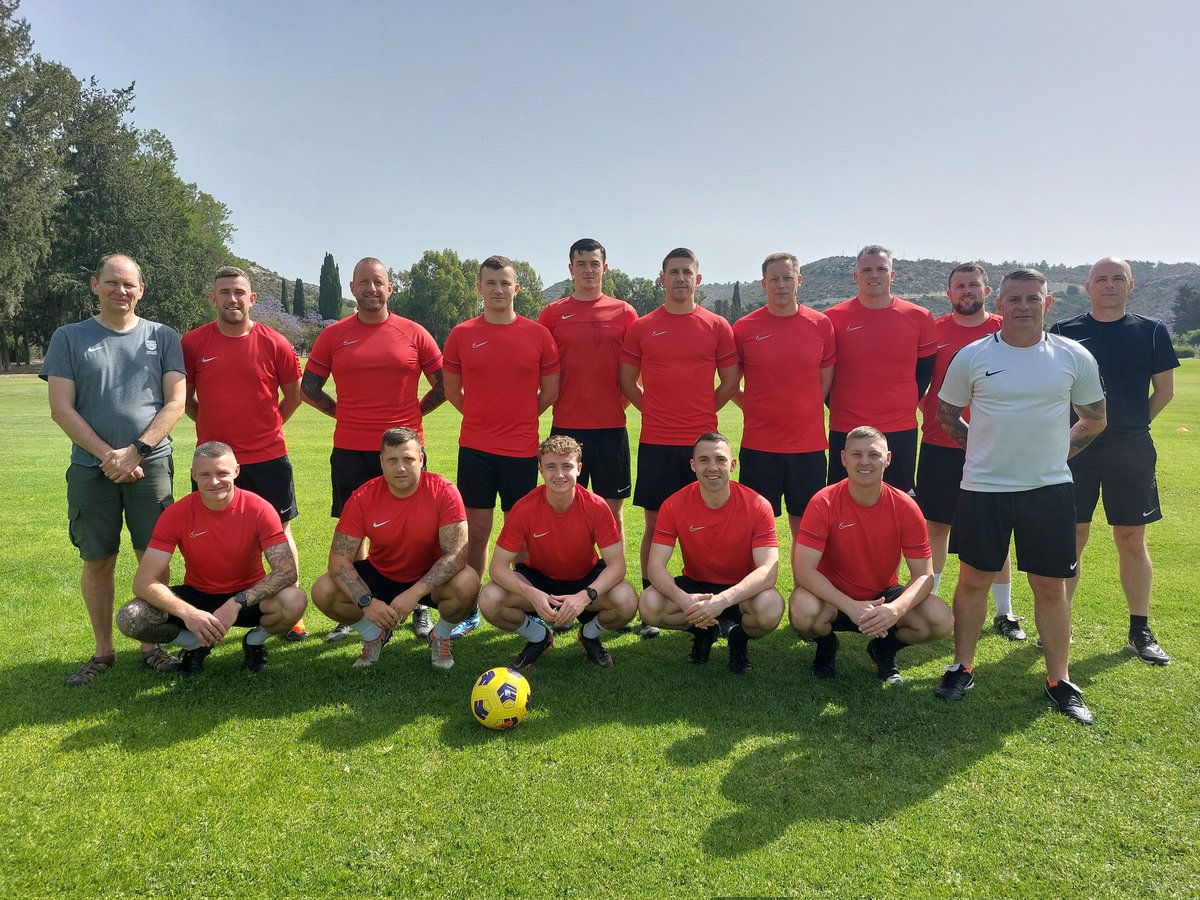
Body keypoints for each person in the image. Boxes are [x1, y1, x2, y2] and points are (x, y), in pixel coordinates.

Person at [935, 268, 1107, 724]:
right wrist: (984, 451)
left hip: (1048, 490)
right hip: (983, 489)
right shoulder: (971, 356)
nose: (1024, 306)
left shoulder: (1073, 357)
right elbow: (947, 414)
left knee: (1049, 587)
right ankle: (962, 666)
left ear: (1047, 304)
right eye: (1014, 298)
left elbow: (1094, 418)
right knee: (973, 580)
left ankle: (1059, 680)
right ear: (1001, 304)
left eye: (1033, 298)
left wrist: (1059, 453)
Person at [40, 254, 186, 685]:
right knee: (98, 559)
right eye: (112, 283)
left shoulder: (163, 336)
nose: (120, 291)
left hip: (152, 464)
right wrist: (111, 456)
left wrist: (137, 451)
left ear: (141, 290)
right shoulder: (69, 337)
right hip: (91, 468)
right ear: (94, 285)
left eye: (129, 285)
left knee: (153, 559)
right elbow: (60, 408)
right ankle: (103, 652)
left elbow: (175, 403)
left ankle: (152, 645)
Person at [301, 257, 444, 643]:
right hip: (351, 448)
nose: (371, 288)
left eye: (378, 282)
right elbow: (308, 389)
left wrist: (413, 415)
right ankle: (361, 607)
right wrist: (342, 414)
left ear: (389, 288)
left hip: (406, 454)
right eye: (364, 282)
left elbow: (444, 385)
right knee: (355, 533)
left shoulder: (414, 333)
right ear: (352, 288)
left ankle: (421, 609)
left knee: (420, 528)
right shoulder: (333, 336)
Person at [1049, 256, 1178, 665]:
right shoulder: (1064, 332)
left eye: (1117, 278)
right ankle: (1058, 625)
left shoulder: (1152, 331)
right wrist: (1084, 434)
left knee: (1131, 539)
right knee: (1073, 537)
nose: (1109, 285)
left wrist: (1131, 425)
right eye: (1101, 279)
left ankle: (1140, 629)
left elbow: (1164, 392)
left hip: (1131, 451)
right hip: (1075, 450)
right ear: (1087, 286)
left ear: (1131, 284)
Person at [182, 265, 309, 641]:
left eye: (239, 292)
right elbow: (184, 399)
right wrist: (208, 430)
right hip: (213, 464)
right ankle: (212, 606)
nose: (232, 298)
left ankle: (289, 610)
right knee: (210, 532)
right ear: (213, 298)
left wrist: (268, 426)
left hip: (268, 458)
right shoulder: (193, 344)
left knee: (280, 533)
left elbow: (294, 395)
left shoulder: (275, 343)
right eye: (224, 292)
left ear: (252, 298)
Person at [116, 442, 308, 675]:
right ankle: (194, 645)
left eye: (222, 473)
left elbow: (287, 571)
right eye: (205, 474)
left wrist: (237, 602)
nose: (214, 481)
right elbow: (143, 582)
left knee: (294, 600)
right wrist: (189, 614)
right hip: (198, 596)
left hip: (247, 598)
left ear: (236, 471)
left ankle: (254, 642)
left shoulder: (259, 509)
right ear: (193, 474)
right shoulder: (176, 514)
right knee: (131, 617)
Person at [789, 426, 953, 684]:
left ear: (888, 459)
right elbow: (804, 570)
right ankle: (826, 645)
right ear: (843, 458)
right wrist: (850, 606)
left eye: (874, 455)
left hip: (882, 597)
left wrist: (895, 610)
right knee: (803, 610)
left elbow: (924, 575)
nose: (864, 462)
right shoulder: (824, 502)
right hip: (832, 598)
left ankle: (883, 650)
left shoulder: (905, 507)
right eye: (856, 454)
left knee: (940, 620)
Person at [310, 428, 481, 670]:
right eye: (392, 460)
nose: (400, 467)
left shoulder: (443, 491)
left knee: (468, 581)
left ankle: (439, 636)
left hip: (427, 577)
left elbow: (456, 555)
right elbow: (339, 559)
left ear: (421, 458)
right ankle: (373, 636)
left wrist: (414, 593)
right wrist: (367, 602)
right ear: (381, 462)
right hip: (381, 574)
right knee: (323, 590)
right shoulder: (363, 496)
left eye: (408, 459)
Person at [621, 249, 739, 595]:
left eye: (687, 272)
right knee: (655, 523)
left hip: (701, 444)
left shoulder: (717, 325)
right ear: (662, 279)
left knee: (705, 520)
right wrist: (656, 411)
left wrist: (703, 413)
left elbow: (730, 383)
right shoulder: (643, 327)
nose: (680, 278)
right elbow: (628, 383)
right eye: (673, 272)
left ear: (697, 279)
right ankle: (649, 596)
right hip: (657, 442)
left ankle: (709, 592)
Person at [914, 263, 1021, 640]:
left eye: (973, 285)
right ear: (949, 294)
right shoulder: (934, 331)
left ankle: (1005, 613)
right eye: (958, 286)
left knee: (995, 529)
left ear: (987, 289)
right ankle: (931, 600)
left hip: (995, 448)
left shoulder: (1004, 328)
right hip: (939, 444)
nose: (966, 291)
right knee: (936, 526)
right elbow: (916, 382)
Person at [442, 255, 560, 578]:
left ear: (516, 288)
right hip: (475, 449)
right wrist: (482, 415)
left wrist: (519, 415)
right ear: (479, 287)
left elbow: (550, 393)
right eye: (491, 283)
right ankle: (469, 605)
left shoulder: (538, 335)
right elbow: (452, 392)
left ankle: (523, 602)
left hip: (520, 451)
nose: (498, 289)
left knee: (520, 532)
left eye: (505, 283)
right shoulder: (461, 334)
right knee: (476, 531)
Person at [478, 435, 638, 668]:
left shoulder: (596, 506)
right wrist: (532, 594)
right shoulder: (524, 508)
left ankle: (589, 635)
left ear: (579, 468)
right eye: (551, 466)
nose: (559, 474)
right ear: (540, 469)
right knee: (489, 599)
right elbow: (497, 568)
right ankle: (538, 637)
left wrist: (585, 596)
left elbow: (617, 565)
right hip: (538, 580)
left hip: (585, 579)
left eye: (567, 466)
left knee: (627, 601)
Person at [638, 433, 783, 674]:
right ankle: (703, 630)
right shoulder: (674, 504)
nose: (712, 467)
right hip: (697, 588)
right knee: (649, 604)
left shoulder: (758, 504)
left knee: (771, 607)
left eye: (720, 460)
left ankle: (738, 637)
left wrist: (723, 600)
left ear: (733, 465)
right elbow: (655, 567)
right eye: (704, 460)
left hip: (741, 590)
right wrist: (685, 601)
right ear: (693, 465)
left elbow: (768, 571)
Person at [733, 252, 835, 545]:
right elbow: (731, 382)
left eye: (787, 278)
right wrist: (752, 406)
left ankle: (805, 590)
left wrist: (807, 408)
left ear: (799, 281)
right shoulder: (744, 327)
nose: (781, 285)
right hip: (759, 446)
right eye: (774, 279)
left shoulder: (820, 324)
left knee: (806, 531)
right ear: (763, 284)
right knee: (755, 529)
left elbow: (825, 379)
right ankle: (756, 591)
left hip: (808, 447)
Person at [824, 245, 937, 492]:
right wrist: (843, 404)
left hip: (899, 427)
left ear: (892, 274)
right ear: (856, 276)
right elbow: (824, 374)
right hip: (846, 427)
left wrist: (902, 401)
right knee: (843, 500)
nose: (873, 275)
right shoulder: (832, 318)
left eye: (881, 269)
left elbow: (925, 371)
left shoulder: (919, 316)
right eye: (866, 269)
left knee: (899, 500)